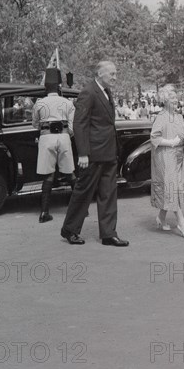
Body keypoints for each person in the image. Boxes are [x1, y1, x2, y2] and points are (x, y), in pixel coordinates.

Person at [60, 61, 129, 246]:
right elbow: (79, 123)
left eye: (116, 74)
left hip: (108, 152)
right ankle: (70, 230)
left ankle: (108, 233)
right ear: (99, 73)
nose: (115, 77)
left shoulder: (106, 92)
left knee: (108, 194)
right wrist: (83, 153)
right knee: (83, 192)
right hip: (92, 154)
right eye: (111, 74)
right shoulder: (89, 92)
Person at [32, 68, 76, 223]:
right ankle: (80, 210)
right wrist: (65, 134)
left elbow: (35, 124)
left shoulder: (39, 103)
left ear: (46, 87)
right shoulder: (67, 103)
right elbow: (72, 127)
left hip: (46, 137)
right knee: (70, 173)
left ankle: (44, 212)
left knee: (48, 175)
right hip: (63, 136)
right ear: (59, 86)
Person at [150, 85, 184, 238]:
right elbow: (154, 137)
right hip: (165, 157)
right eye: (172, 99)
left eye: (176, 98)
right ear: (165, 101)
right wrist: (171, 142)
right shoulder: (161, 117)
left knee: (174, 188)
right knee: (172, 189)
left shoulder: (179, 116)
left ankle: (161, 218)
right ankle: (181, 223)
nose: (176, 101)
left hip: (179, 158)